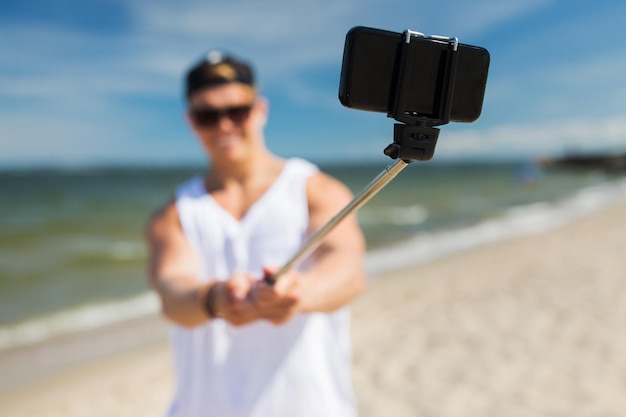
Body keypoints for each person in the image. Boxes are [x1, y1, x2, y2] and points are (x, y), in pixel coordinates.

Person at [145, 50, 366, 417]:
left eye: (237, 111)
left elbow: (347, 270)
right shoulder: (175, 213)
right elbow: (172, 292)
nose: (225, 126)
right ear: (191, 121)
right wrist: (216, 299)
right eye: (207, 115)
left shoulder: (315, 190)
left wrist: (296, 293)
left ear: (260, 109)